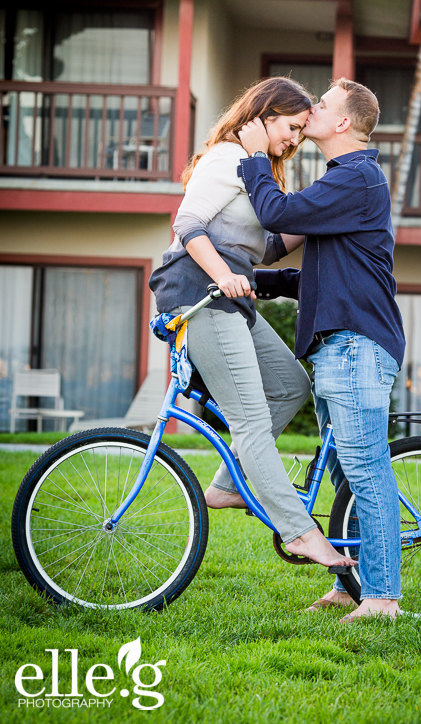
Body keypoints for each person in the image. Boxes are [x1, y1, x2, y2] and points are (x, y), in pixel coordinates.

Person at [149, 77, 357, 570]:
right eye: (291, 127)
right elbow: (187, 225)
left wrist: (319, 216)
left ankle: (226, 487)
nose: (295, 139)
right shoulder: (226, 158)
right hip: (199, 294)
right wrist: (223, 275)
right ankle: (301, 533)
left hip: (231, 299)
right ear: (264, 116)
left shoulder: (256, 167)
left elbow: (261, 249)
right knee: (250, 422)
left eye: (301, 131)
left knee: (290, 385)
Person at [238, 78, 405, 622]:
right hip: (340, 345)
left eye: (323, 104)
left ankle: (382, 599)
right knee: (346, 477)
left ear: (343, 123)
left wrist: (255, 159)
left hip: (357, 344)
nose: (311, 108)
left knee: (365, 471)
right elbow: (323, 274)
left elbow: (278, 214)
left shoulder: (357, 177)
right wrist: (251, 279)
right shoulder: (344, 181)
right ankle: (350, 586)